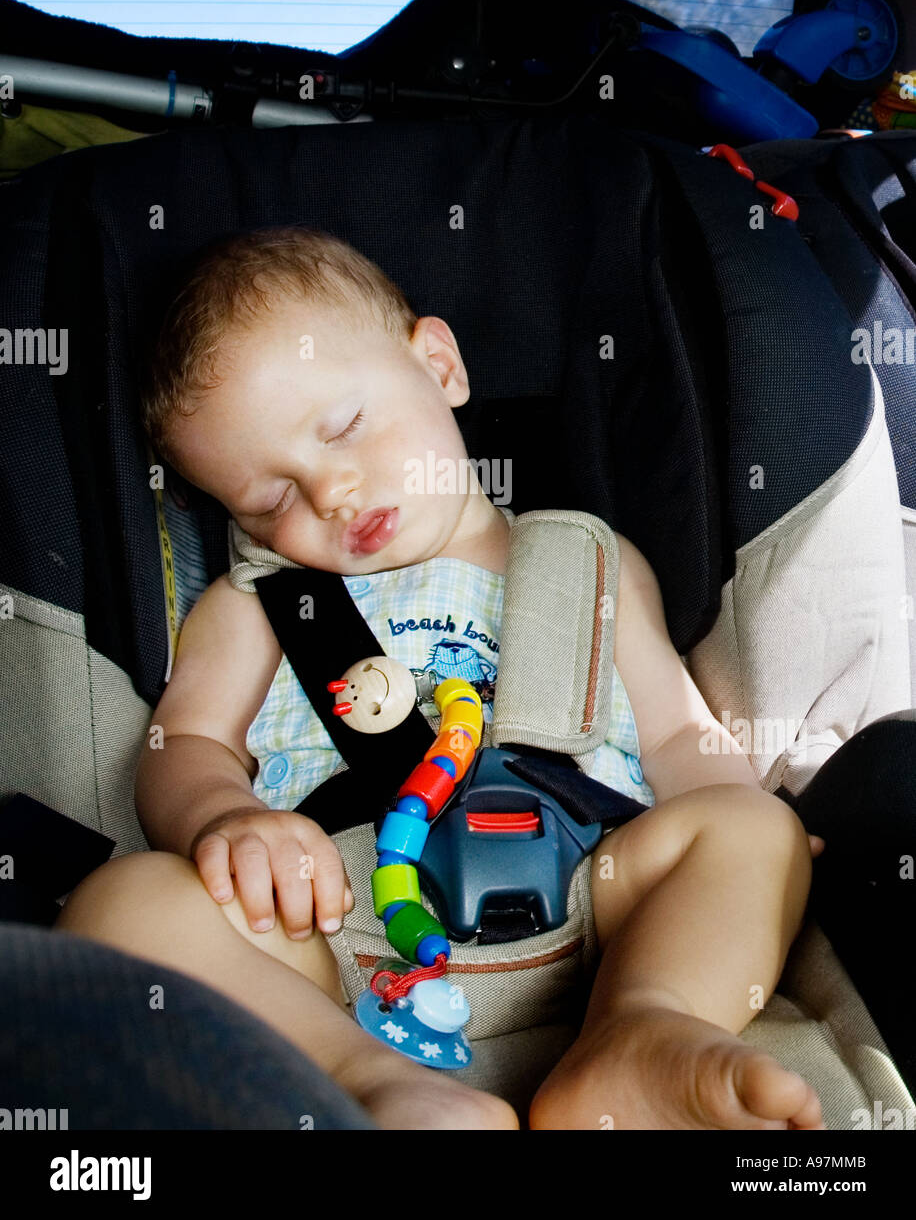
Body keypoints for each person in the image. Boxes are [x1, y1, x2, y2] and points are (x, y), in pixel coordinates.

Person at [56, 226, 827, 1131]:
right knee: (123, 905)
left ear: (439, 365)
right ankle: (367, 1083)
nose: (332, 493)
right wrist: (225, 817)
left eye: (344, 427)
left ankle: (641, 1031)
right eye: (271, 500)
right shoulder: (254, 608)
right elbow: (183, 743)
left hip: (597, 903)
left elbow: (674, 737)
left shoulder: (592, 562)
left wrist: (741, 824)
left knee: (751, 828)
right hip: (340, 930)